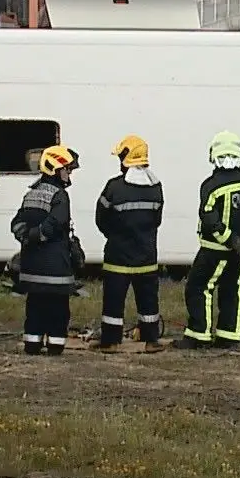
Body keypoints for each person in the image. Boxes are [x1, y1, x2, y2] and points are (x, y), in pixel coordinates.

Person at [180, 130, 240, 350]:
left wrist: (230, 240)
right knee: (233, 289)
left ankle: (198, 335)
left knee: (198, 288)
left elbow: (210, 219)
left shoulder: (211, 186)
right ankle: (229, 336)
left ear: (213, 155)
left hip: (213, 250)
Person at [93, 134, 165, 351]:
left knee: (113, 303)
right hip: (147, 257)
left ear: (125, 158)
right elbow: (157, 220)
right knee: (148, 301)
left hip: (117, 258)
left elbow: (101, 218)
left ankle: (111, 341)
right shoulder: (156, 187)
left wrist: (115, 236)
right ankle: (151, 340)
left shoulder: (114, 187)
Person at [11, 145, 82, 356]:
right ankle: (55, 345)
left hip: (31, 268)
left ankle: (32, 343)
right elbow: (56, 223)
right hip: (55, 269)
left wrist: (27, 237)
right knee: (58, 309)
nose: (69, 174)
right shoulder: (59, 195)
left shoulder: (31, 194)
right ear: (54, 169)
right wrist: (38, 235)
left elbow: (16, 223)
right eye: (67, 169)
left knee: (34, 308)